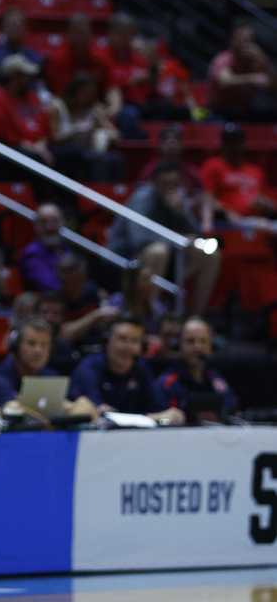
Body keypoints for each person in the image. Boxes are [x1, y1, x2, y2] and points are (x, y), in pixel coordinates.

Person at [109, 162, 222, 315]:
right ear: (154, 183)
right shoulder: (143, 198)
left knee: (210, 254)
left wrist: (180, 212)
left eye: (174, 184)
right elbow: (139, 240)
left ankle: (195, 316)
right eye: (165, 184)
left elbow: (196, 233)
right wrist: (178, 240)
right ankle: (150, 314)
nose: (170, 188)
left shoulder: (178, 200)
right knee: (158, 251)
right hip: (126, 257)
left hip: (168, 258)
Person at [67, 316, 185, 423]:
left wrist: (169, 415)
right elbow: (97, 412)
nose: (127, 347)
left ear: (141, 347)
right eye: (122, 339)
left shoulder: (141, 369)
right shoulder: (89, 368)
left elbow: (159, 410)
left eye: (134, 341)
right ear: (108, 341)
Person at [154, 316, 236, 423]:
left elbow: (232, 408)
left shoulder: (216, 379)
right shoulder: (166, 383)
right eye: (190, 341)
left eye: (203, 341)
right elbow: (157, 420)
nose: (197, 347)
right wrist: (167, 419)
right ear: (179, 345)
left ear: (211, 345)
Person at [19, 204, 67, 293]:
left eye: (54, 221)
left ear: (62, 223)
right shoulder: (32, 254)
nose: (49, 227)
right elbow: (50, 286)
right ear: (35, 226)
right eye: (43, 222)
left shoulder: (66, 248)